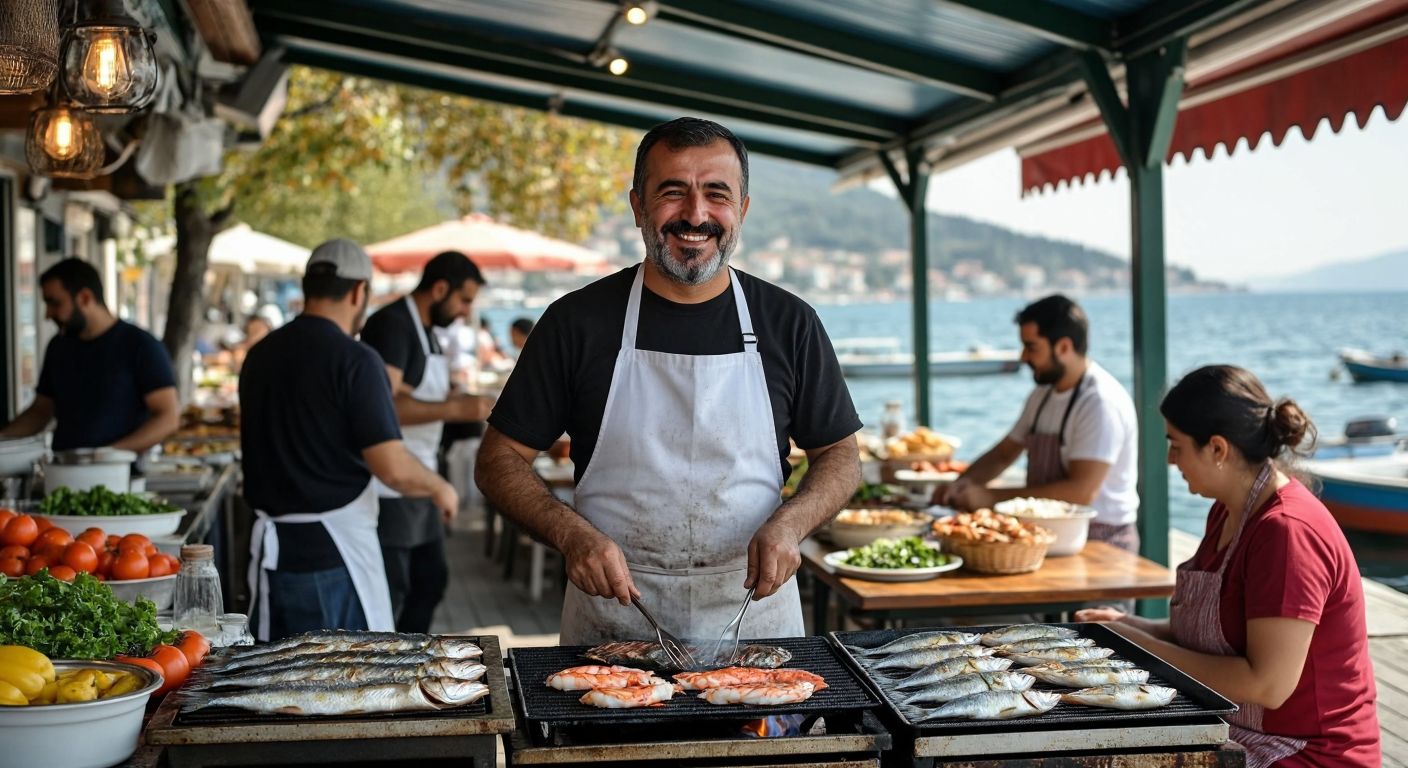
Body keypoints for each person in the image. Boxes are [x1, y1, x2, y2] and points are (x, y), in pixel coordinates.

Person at [476, 117, 861, 644]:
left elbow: (840, 453)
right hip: (614, 626)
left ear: (742, 209)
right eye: (673, 192)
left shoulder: (788, 323)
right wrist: (571, 535)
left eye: (717, 194)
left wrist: (791, 525)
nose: (696, 215)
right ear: (638, 206)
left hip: (754, 620)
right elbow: (498, 459)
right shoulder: (576, 322)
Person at [1077, 366, 1379, 767]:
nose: (1169, 459)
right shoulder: (1227, 511)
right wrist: (1130, 626)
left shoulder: (1287, 533)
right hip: (1233, 726)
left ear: (1217, 449)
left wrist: (1141, 647)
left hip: (1307, 752)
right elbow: (1222, 634)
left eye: (1176, 444)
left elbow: (1267, 684)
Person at [239, 239, 459, 642]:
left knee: (281, 686)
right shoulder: (356, 360)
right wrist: (439, 486)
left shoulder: (260, 355)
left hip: (273, 555)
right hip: (331, 558)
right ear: (359, 291)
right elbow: (392, 466)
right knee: (340, 688)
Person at [938, 295, 1140, 551]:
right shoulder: (1043, 395)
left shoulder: (1100, 402)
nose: (1023, 357)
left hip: (1100, 541)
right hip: (1046, 536)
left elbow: (1080, 492)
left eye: (1031, 347)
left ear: (1064, 347)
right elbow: (1003, 454)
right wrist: (961, 485)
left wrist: (991, 498)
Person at [360, 251, 494, 633]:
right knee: (399, 589)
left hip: (419, 475)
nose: (465, 312)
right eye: (463, 300)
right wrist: (455, 408)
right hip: (389, 483)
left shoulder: (428, 332)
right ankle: (389, 665)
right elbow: (384, 407)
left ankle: (409, 658)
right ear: (439, 289)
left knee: (430, 581)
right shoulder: (392, 326)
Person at [1, 258, 178, 452]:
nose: (48, 314)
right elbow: (40, 412)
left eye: (55, 303)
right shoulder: (58, 346)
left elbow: (167, 417)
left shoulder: (141, 346)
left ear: (85, 298)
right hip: (63, 472)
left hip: (121, 476)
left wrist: (108, 454)